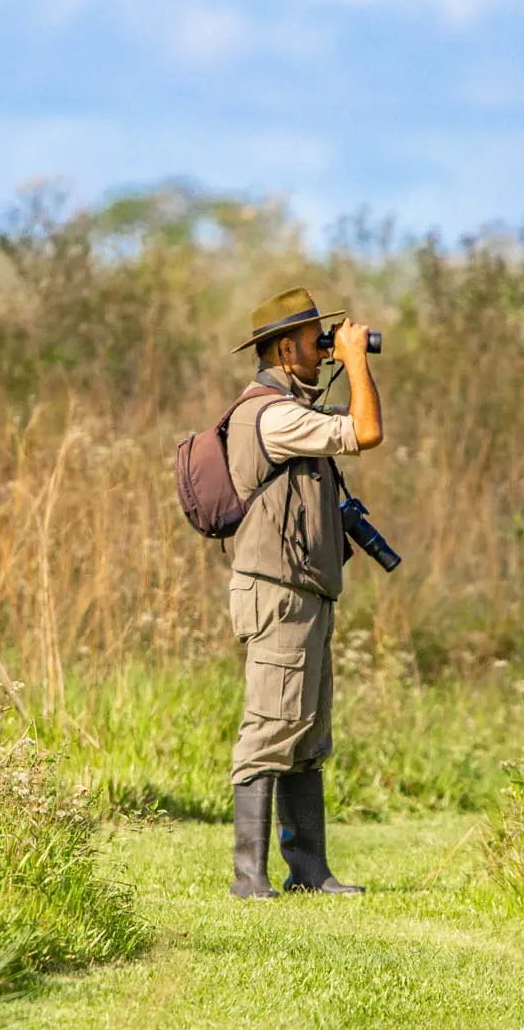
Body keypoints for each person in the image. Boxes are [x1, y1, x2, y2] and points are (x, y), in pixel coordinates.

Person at [223, 286, 383, 899]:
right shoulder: (272, 414)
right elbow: (366, 430)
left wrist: (344, 360)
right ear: (285, 347)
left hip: (306, 590)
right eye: (315, 340)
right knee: (270, 726)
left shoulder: (295, 408)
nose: (324, 348)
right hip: (278, 592)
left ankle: (309, 871)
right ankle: (249, 878)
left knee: (308, 730)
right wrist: (358, 361)